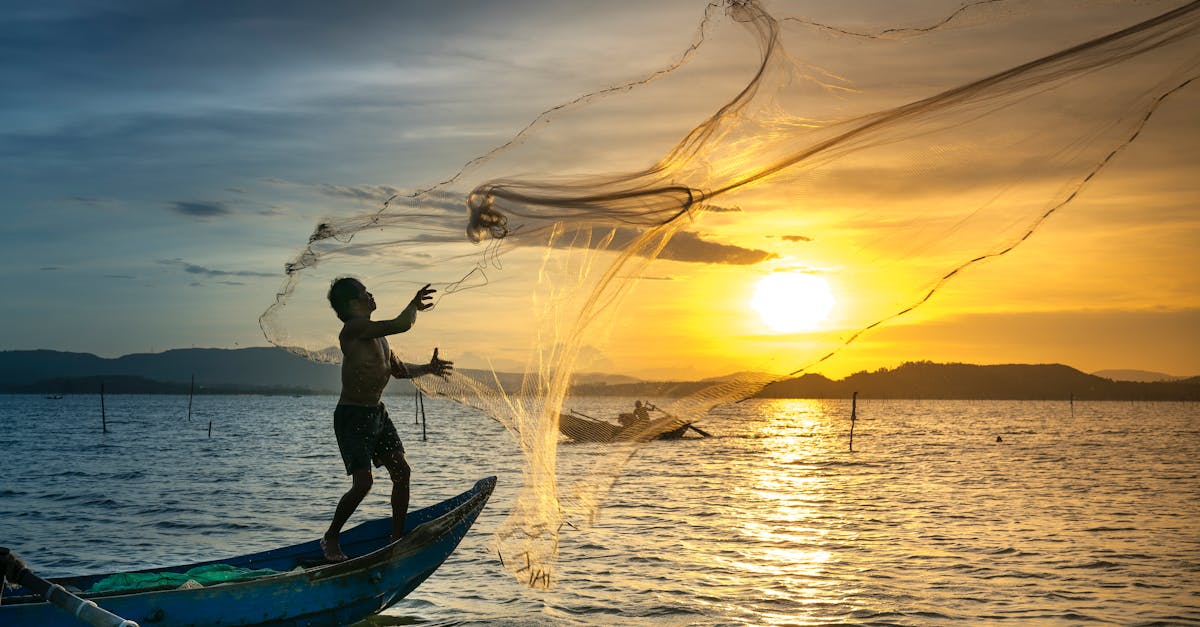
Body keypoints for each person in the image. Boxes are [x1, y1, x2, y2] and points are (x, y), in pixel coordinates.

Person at [321, 277, 453, 562]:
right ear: (353, 304)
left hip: (377, 413)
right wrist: (414, 305)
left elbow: (400, 371)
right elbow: (402, 324)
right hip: (352, 415)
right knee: (363, 483)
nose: (370, 295)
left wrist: (428, 368)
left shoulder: (379, 337)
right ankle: (331, 537)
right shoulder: (354, 329)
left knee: (402, 472)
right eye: (364, 292)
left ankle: (396, 540)